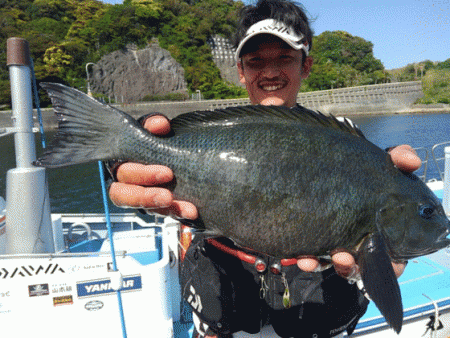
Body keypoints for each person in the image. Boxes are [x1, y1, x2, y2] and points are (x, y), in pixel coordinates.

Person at [107, 1, 420, 336]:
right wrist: (120, 161)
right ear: (241, 71)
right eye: (256, 62)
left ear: (306, 65)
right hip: (224, 325)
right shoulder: (218, 133)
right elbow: (151, 197)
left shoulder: (346, 139)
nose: (270, 72)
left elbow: (372, 186)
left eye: (285, 58)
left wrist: (377, 257)